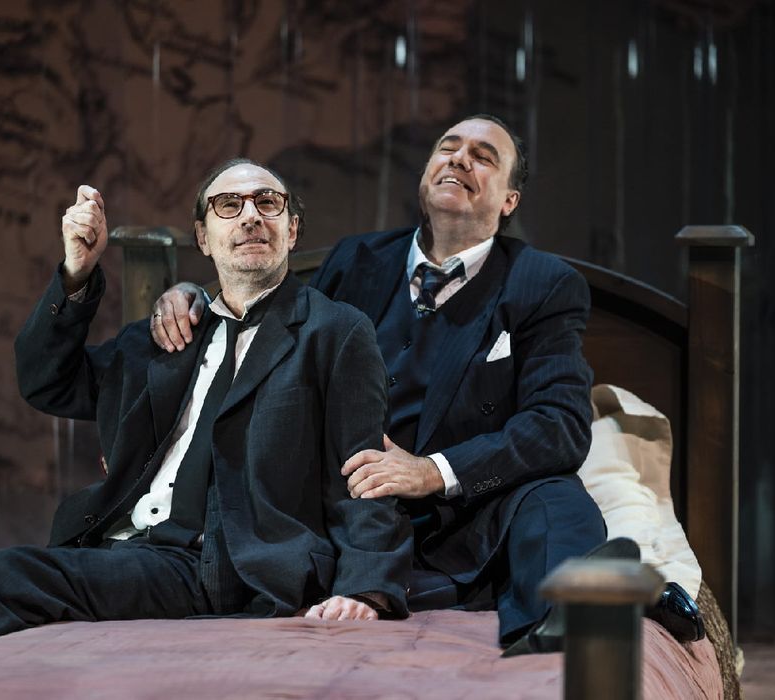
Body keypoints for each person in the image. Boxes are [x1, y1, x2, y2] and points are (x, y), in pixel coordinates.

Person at [0, 159, 411, 664]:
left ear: (292, 230)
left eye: (267, 202)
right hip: (121, 546)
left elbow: (364, 473)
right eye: (228, 205)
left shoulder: (334, 330)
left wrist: (366, 588)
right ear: (203, 237)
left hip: (221, 562)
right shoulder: (168, 334)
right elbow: (47, 383)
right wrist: (77, 273)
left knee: (10, 575)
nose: (250, 215)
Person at [151, 115, 607, 653]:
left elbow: (559, 425)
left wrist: (432, 472)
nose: (460, 159)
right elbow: (263, 316)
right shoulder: (356, 260)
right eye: (448, 148)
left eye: (483, 156)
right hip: (346, 511)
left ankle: (561, 627)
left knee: (558, 498)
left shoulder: (544, 284)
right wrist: (194, 296)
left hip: (470, 518)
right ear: (425, 174)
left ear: (510, 200)